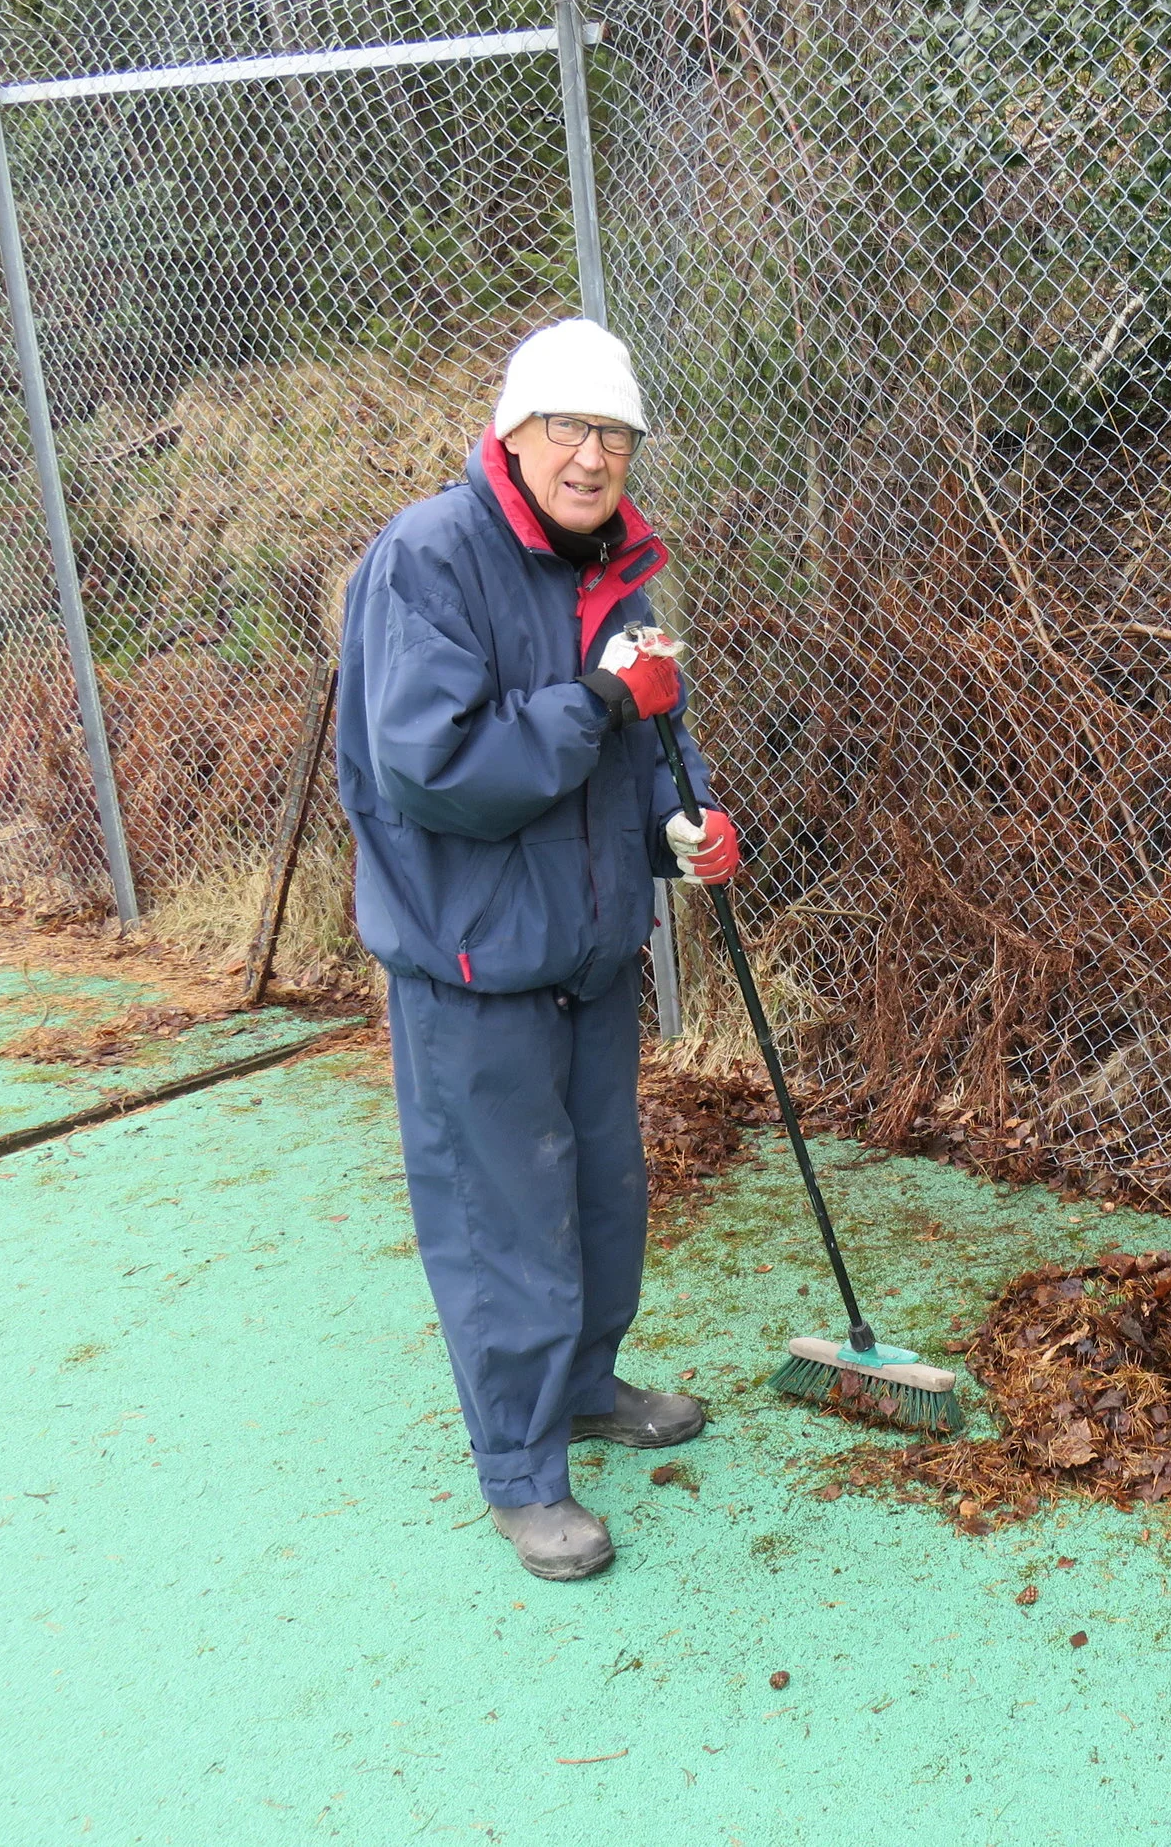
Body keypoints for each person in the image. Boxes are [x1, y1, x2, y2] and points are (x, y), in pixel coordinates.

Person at [336, 319, 744, 1578]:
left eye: (615, 434)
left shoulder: (616, 568)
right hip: (470, 962)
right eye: (569, 428)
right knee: (502, 1218)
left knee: (604, 1193)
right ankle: (521, 1472)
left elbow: (640, 743)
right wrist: (605, 697)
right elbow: (441, 766)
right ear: (512, 433)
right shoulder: (429, 560)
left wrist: (685, 823)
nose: (593, 456)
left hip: (585, 950)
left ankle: (584, 1385)